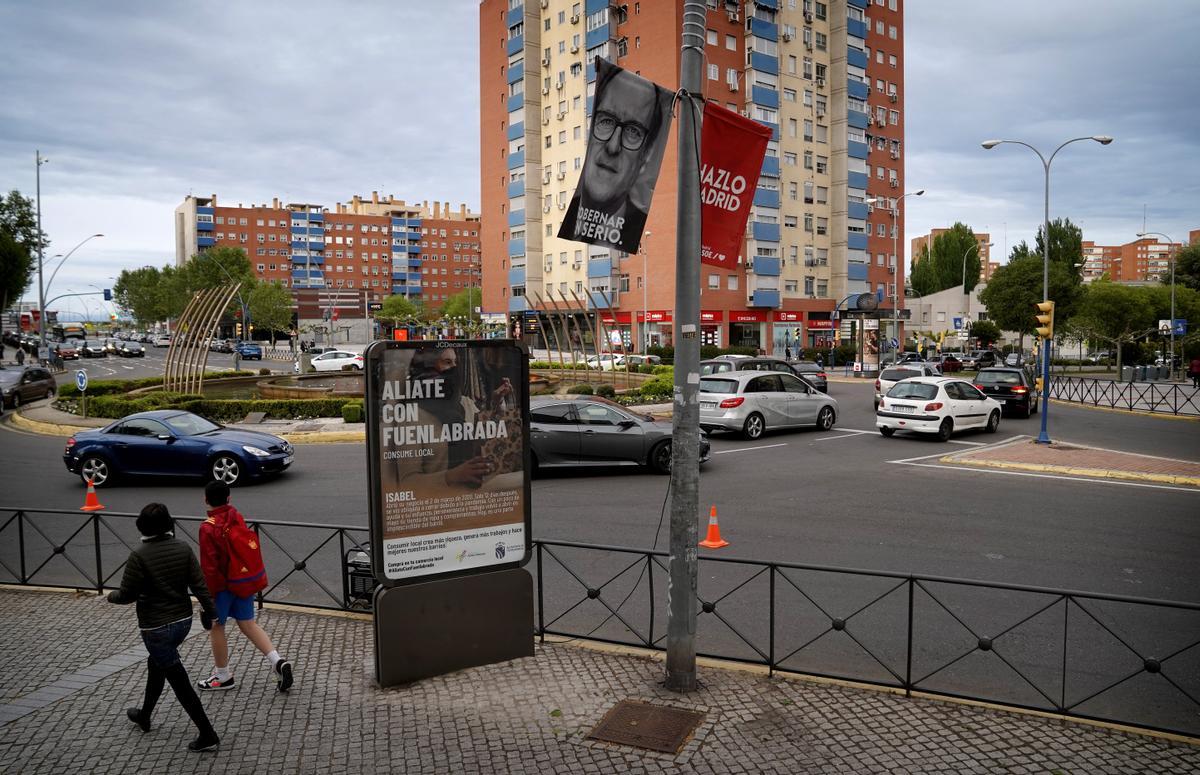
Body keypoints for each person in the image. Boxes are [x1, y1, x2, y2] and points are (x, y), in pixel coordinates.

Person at [106, 503, 220, 753]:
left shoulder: (139, 556)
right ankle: (144, 714)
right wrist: (213, 614)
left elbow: (127, 595)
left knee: (179, 682)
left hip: (156, 628)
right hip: (182, 623)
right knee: (156, 664)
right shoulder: (183, 547)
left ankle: (207, 733)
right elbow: (200, 586)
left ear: (142, 526)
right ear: (169, 523)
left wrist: (110, 596)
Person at [560, 61, 669, 254]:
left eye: (633, 132)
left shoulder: (638, 226)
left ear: (647, 155)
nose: (612, 146)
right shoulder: (565, 217)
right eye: (606, 121)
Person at [197, 481, 294, 693]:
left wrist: (208, 599)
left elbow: (210, 568)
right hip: (242, 581)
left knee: (217, 627)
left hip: (222, 587)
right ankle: (277, 661)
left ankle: (223, 676)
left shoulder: (208, 527)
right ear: (229, 498)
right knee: (248, 624)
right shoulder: (236, 517)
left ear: (206, 499)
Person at [393, 346, 514, 489]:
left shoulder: (465, 403)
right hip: (437, 504)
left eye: (455, 362)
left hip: (472, 500)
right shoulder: (412, 416)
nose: (454, 368)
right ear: (429, 367)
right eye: (447, 362)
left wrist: (497, 402)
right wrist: (452, 476)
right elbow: (407, 483)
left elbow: (484, 437)